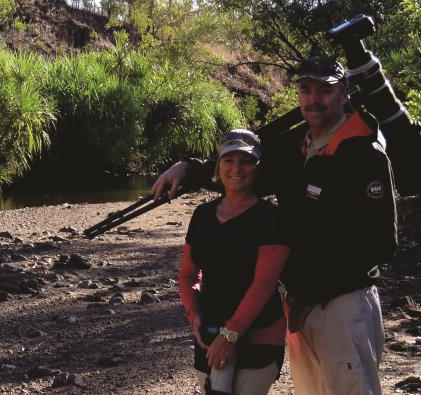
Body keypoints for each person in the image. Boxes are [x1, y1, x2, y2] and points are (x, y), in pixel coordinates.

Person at [157, 56, 397, 394]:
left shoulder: (365, 152)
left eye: (324, 90)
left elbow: (383, 242)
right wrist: (188, 168)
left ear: (343, 94)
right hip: (299, 303)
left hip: (344, 304)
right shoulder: (297, 149)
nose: (314, 99)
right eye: (306, 89)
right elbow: (239, 173)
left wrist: (318, 269)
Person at [179, 129, 290, 394]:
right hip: (210, 333)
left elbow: (264, 283)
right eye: (229, 160)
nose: (236, 168)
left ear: (257, 167)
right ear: (218, 166)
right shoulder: (203, 215)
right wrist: (195, 317)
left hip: (260, 333)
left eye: (246, 161)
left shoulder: (272, 219)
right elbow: (187, 275)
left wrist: (230, 334)